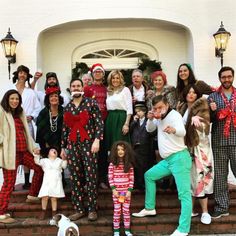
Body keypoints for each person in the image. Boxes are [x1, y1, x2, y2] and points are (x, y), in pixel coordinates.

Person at [132, 95, 192, 236]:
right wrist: (151, 117)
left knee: (184, 194)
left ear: (166, 104)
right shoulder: (158, 117)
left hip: (179, 158)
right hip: (167, 161)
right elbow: (149, 129)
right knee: (149, 176)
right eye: (155, 108)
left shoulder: (174, 115)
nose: (158, 110)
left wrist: (174, 130)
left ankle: (183, 229)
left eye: (160, 107)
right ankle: (150, 207)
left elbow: (183, 131)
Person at [60, 78, 103, 221]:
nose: (76, 88)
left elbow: (99, 123)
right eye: (73, 86)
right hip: (72, 146)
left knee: (91, 177)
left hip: (89, 144)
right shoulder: (67, 107)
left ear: (82, 87)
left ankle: (92, 209)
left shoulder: (91, 103)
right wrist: (63, 147)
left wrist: (97, 140)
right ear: (70, 88)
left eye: (78, 85)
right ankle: (79, 209)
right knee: (75, 177)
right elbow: (65, 129)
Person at [0, 90, 43, 223]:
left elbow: (25, 132)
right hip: (11, 154)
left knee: (40, 168)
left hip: (24, 151)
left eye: (17, 99)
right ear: (7, 99)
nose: (14, 101)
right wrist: (3, 141)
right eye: (12, 98)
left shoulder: (20, 113)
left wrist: (33, 147)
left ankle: (32, 194)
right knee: (9, 184)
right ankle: (1, 212)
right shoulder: (2, 112)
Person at [181, 85, 213, 225]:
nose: (191, 94)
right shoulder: (181, 108)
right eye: (189, 92)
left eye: (194, 92)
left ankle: (205, 212)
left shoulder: (202, 107)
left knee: (201, 178)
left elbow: (206, 128)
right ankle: (190, 210)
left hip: (200, 149)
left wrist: (198, 123)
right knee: (188, 180)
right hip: (185, 148)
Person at [208, 66, 236, 219]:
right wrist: (212, 110)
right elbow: (208, 120)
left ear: (233, 77)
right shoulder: (212, 97)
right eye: (223, 77)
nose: (226, 79)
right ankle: (221, 207)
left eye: (229, 76)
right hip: (219, 141)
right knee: (220, 175)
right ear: (220, 78)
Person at [10, 65, 42, 189]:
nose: (22, 75)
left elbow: (38, 108)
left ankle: (27, 181)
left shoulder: (31, 92)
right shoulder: (10, 90)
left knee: (27, 152)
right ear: (17, 74)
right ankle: (11, 181)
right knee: (13, 152)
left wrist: (32, 116)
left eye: (25, 73)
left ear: (27, 75)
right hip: (12, 125)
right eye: (21, 72)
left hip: (27, 125)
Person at [84, 63, 108, 189]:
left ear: (103, 74)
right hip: (91, 125)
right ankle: (91, 180)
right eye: (96, 72)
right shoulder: (87, 89)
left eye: (100, 72)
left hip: (104, 124)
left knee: (103, 153)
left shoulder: (107, 89)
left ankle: (102, 179)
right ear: (92, 74)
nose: (98, 74)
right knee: (91, 153)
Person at [108, 141, 135, 236]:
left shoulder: (129, 165)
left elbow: (131, 179)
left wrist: (129, 191)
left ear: (126, 151)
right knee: (117, 210)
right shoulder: (112, 164)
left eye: (122, 149)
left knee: (126, 210)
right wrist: (114, 189)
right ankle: (116, 231)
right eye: (118, 149)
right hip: (117, 193)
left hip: (125, 193)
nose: (120, 151)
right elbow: (110, 178)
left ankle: (127, 230)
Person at [34, 146, 67, 220]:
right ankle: (43, 211)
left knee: (54, 198)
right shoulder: (45, 160)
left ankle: (54, 213)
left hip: (56, 182)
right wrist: (36, 155)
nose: (54, 151)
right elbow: (37, 161)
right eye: (52, 150)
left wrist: (64, 159)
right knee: (44, 197)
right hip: (47, 182)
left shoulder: (59, 160)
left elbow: (64, 166)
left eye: (55, 150)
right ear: (48, 154)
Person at [105, 70, 133, 150]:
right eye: (113, 78)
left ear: (121, 79)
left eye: (117, 78)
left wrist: (126, 124)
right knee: (110, 144)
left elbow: (129, 108)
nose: (115, 80)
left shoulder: (125, 90)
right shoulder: (109, 91)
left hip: (121, 118)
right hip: (110, 118)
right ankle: (112, 162)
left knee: (120, 143)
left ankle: (123, 162)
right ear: (110, 80)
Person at [130, 102, 154, 190]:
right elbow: (130, 130)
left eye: (140, 111)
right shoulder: (134, 121)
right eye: (136, 111)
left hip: (145, 146)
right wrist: (134, 121)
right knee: (135, 164)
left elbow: (151, 132)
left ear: (144, 112)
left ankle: (142, 183)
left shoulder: (148, 121)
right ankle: (136, 183)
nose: (138, 113)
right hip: (135, 147)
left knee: (144, 165)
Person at [36, 86, 64, 157]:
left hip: (62, 146)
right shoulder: (43, 113)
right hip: (46, 146)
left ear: (59, 98)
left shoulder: (65, 111)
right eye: (51, 96)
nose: (54, 98)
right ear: (48, 99)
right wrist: (45, 143)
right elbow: (39, 131)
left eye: (56, 96)